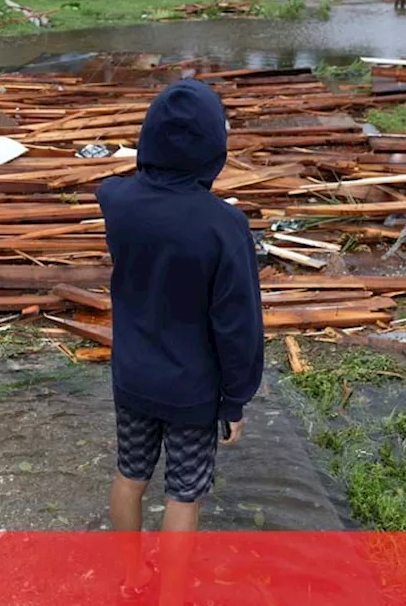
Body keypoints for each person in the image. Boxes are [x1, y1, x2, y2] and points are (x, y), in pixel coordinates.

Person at [96, 79, 264, 606]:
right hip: (192, 390)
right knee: (184, 494)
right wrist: (236, 397)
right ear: (215, 149)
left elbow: (118, 181)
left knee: (129, 475)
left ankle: (130, 577)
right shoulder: (224, 227)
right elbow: (237, 323)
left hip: (133, 376)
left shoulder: (117, 201)